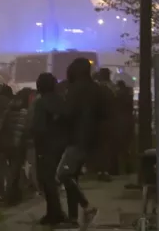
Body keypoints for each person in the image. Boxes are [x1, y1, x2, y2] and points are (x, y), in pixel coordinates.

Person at [56, 58, 101, 230]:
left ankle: (86, 207)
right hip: (90, 137)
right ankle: (73, 217)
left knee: (63, 175)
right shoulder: (95, 88)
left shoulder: (75, 90)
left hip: (76, 138)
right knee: (72, 177)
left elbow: (68, 112)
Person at [31, 73, 69, 226]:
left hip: (46, 147)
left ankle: (54, 213)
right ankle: (58, 212)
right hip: (62, 145)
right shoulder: (61, 100)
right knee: (57, 180)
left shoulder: (40, 103)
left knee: (47, 181)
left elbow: (38, 127)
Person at [0, 88, 30, 206]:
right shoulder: (24, 112)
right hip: (16, 146)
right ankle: (11, 195)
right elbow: (20, 130)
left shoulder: (8, 110)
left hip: (4, 144)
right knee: (14, 171)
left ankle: (7, 193)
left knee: (6, 171)